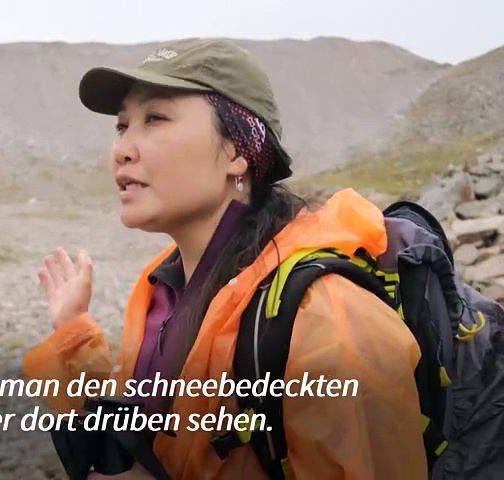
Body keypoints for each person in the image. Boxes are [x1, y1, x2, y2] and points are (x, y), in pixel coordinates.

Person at [22, 38, 429, 479]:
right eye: (122, 126)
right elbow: (148, 431)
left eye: (155, 118)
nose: (122, 149)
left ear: (237, 151)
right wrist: (74, 336)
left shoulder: (326, 316)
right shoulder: (163, 289)